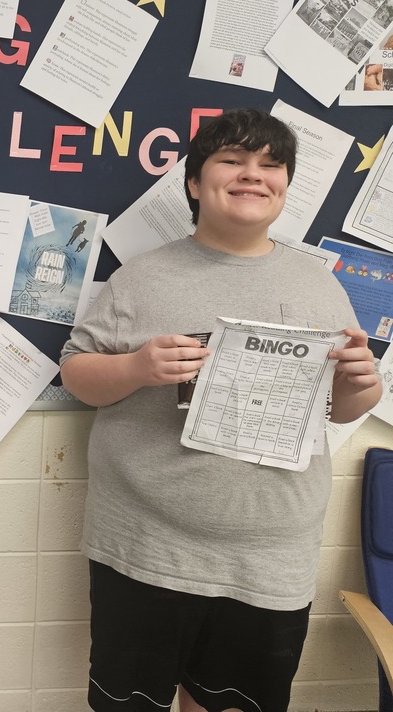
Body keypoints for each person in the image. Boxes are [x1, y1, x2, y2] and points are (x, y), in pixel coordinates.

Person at [59, 108, 381, 712]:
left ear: (285, 185)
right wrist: (136, 368)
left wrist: (364, 384)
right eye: (232, 160)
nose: (252, 174)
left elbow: (342, 408)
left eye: (270, 164)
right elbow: (76, 372)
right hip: (146, 546)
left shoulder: (318, 282)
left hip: (271, 553)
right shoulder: (142, 278)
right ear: (193, 182)